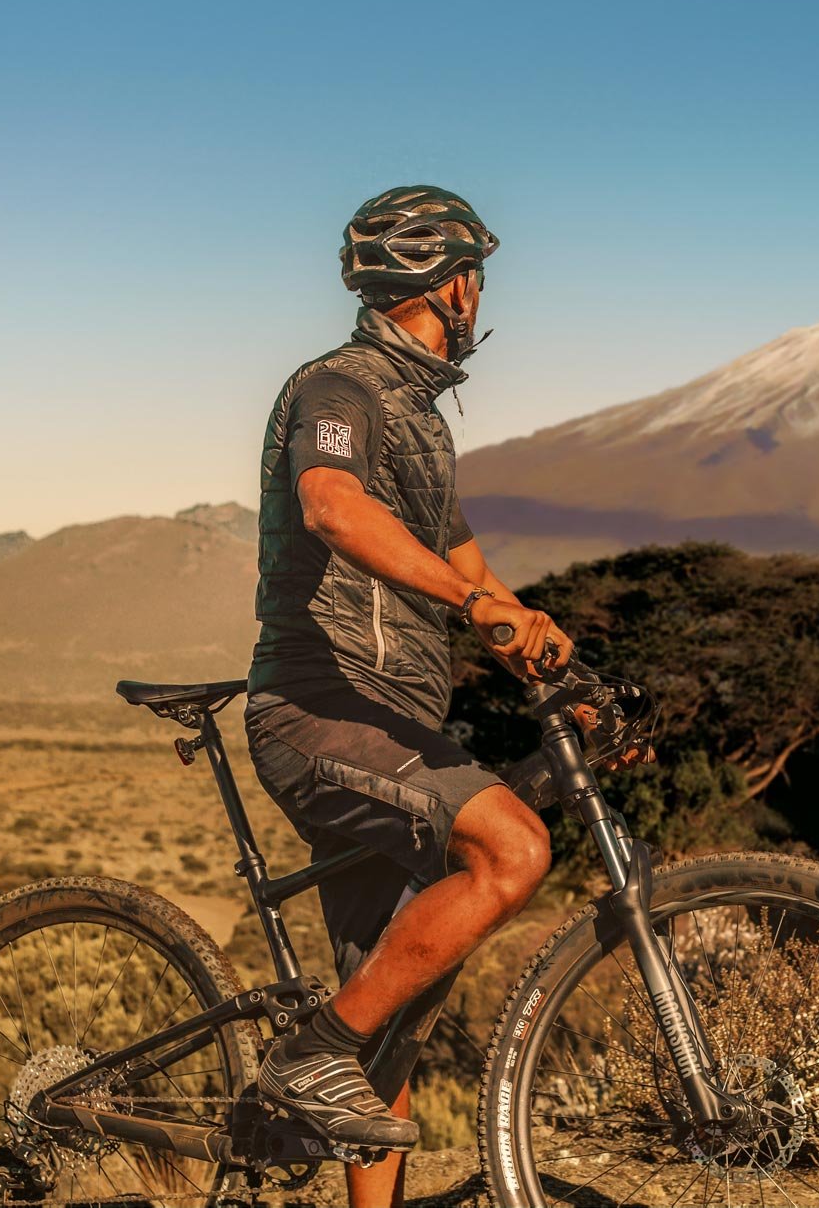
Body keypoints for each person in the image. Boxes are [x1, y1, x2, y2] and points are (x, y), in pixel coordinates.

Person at [242, 185, 573, 1208]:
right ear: (447, 281)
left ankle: (332, 1058)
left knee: (390, 1009)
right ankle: (309, 1054)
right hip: (320, 709)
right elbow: (332, 509)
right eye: (476, 274)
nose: (480, 296)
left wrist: (560, 663)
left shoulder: (421, 424)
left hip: (392, 720)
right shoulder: (337, 391)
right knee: (513, 848)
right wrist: (474, 599)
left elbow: (473, 568)